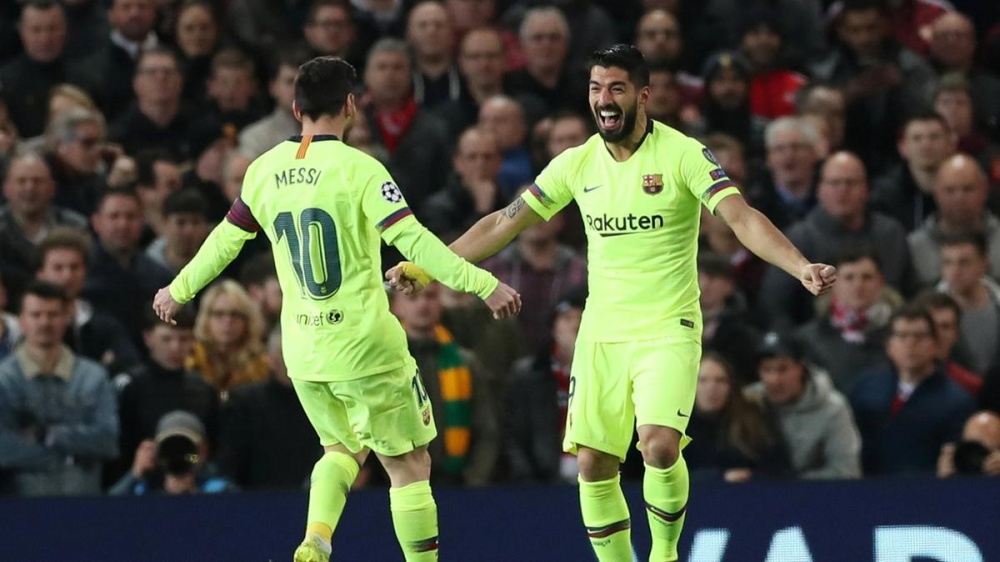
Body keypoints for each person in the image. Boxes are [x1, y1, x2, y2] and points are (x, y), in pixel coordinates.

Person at [388, 44, 836, 562]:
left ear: (643, 95)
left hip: (668, 325)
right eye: (596, 88)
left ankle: (665, 554)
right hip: (602, 332)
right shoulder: (577, 163)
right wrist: (428, 266)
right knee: (594, 464)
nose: (604, 99)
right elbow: (503, 223)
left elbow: (741, 217)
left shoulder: (683, 154)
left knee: (659, 445)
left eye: (616, 88)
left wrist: (799, 265)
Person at [152, 56, 520, 562]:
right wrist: (482, 283)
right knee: (409, 464)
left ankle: (317, 537)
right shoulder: (361, 170)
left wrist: (179, 288)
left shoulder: (263, 169)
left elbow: (225, 241)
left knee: (342, 448)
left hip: (304, 351)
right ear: (350, 105)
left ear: (296, 108)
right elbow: (415, 241)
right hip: (365, 346)